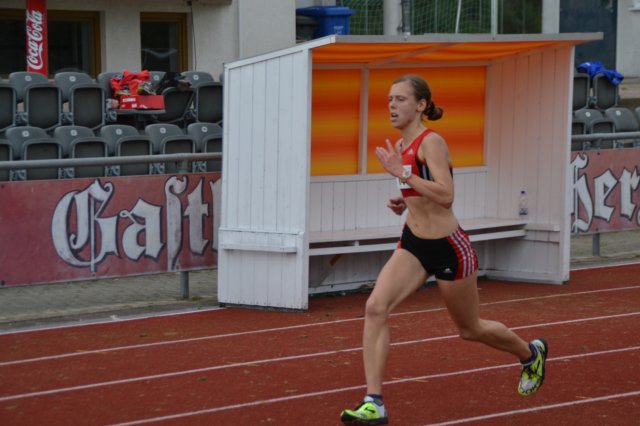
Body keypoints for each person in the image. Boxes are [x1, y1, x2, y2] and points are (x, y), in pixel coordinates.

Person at [339, 74, 548, 425]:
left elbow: (447, 195)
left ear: (420, 105)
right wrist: (404, 201)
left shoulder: (431, 142)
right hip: (414, 243)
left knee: (470, 329)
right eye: (389, 99)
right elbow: (422, 191)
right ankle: (374, 402)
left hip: (450, 248)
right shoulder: (402, 145)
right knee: (375, 307)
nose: (392, 106)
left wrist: (403, 176)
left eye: (400, 99)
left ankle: (530, 354)